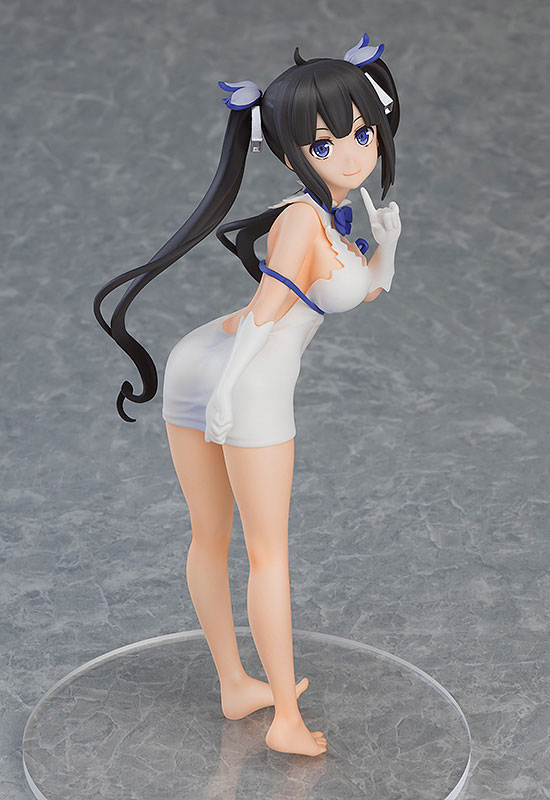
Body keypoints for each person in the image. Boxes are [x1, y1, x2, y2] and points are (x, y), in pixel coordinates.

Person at [93, 33, 401, 756]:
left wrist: (386, 244)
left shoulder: (334, 218)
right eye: (324, 144)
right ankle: (284, 721)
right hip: (243, 370)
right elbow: (264, 316)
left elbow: (363, 288)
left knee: (214, 536)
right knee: (266, 553)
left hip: (207, 358)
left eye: (361, 134)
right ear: (289, 153)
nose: (351, 155)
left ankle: (237, 685)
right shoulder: (301, 220)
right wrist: (230, 394)